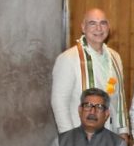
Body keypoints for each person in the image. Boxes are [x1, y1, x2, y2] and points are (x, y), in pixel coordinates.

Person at [50, 8, 129, 138]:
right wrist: (70, 138)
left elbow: (119, 97)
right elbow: (59, 102)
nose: (99, 28)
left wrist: (123, 130)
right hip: (80, 135)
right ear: (83, 27)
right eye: (92, 23)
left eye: (103, 23)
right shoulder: (68, 58)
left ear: (108, 27)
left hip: (111, 134)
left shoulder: (115, 57)